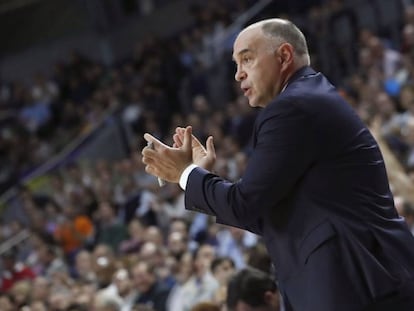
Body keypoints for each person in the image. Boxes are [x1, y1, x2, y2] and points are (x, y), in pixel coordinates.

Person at [141, 18, 414, 311]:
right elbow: (266, 214)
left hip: (361, 284)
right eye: (235, 64)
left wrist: (185, 175)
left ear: (284, 56)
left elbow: (245, 204)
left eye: (246, 59)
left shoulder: (291, 108)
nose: (238, 75)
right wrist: (200, 175)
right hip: (365, 281)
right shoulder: (306, 100)